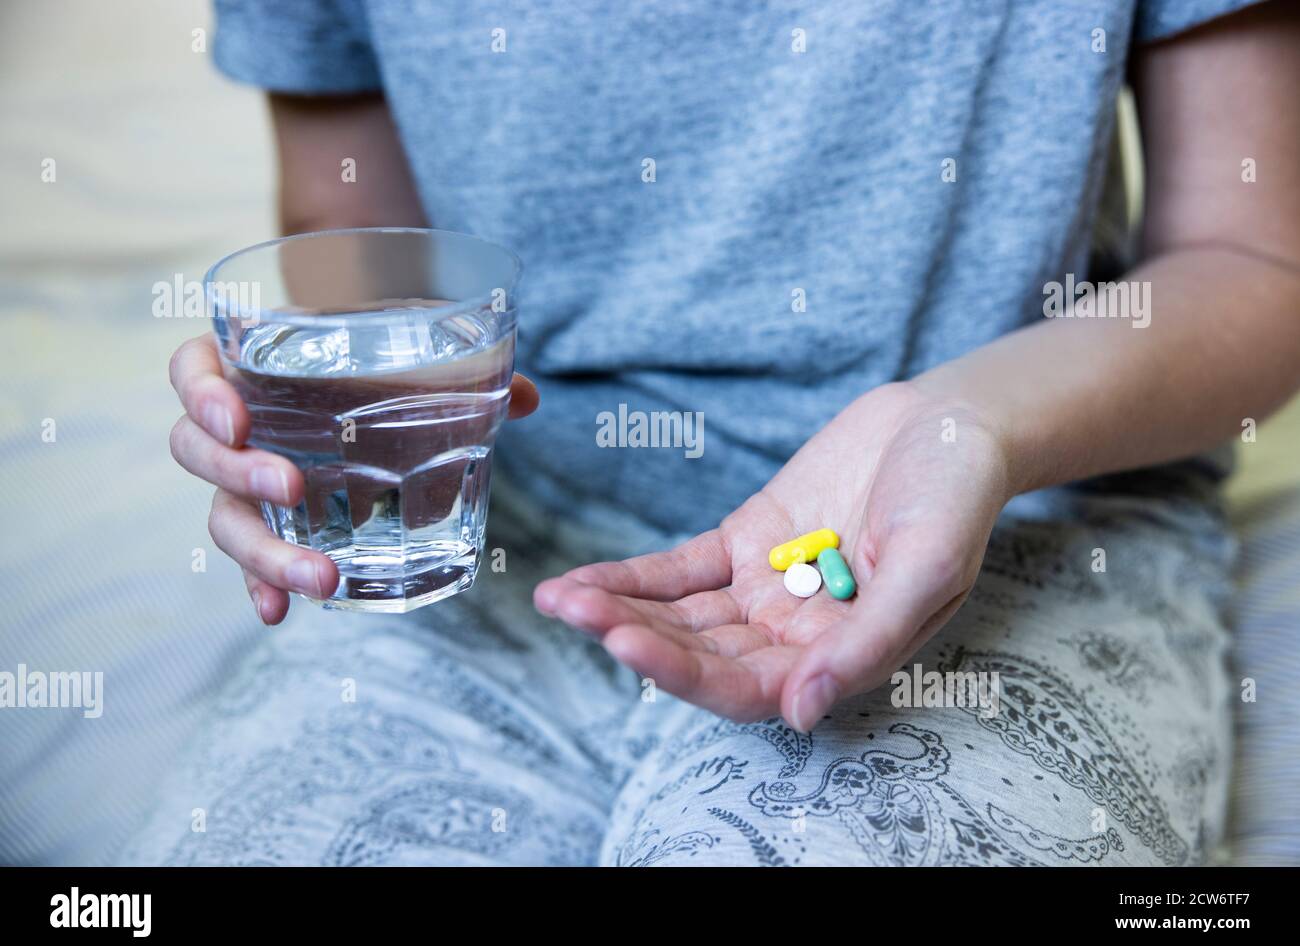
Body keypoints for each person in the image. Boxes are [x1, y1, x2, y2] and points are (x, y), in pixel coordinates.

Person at [135, 0, 1300, 866]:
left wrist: (958, 423)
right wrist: (308, 416)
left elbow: (1255, 263)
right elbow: (355, 233)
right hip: (499, 540)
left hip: (1025, 511)